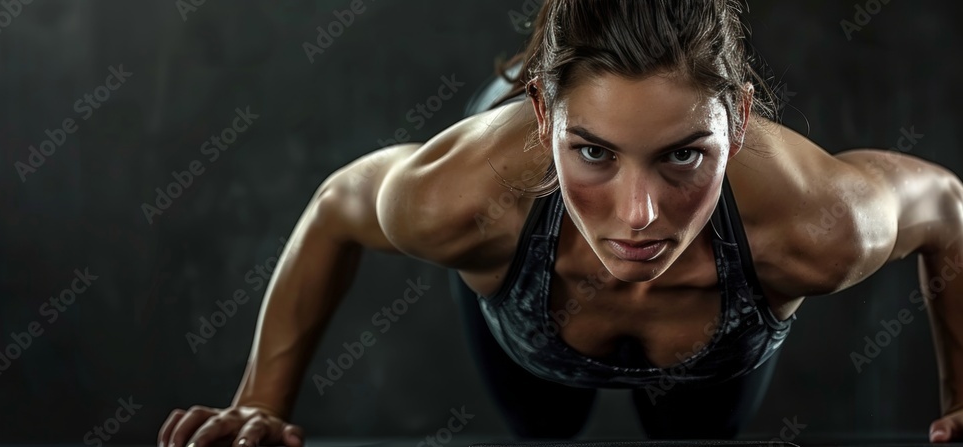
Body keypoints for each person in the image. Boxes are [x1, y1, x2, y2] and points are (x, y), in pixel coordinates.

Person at [158, 1, 963, 445]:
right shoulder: (462, 198)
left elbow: (948, 209)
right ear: (543, 119)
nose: (639, 216)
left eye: (683, 156)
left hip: (713, 361)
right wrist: (260, 403)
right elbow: (339, 206)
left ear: (740, 122)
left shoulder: (818, 223)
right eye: (595, 153)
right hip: (530, 330)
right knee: (543, 428)